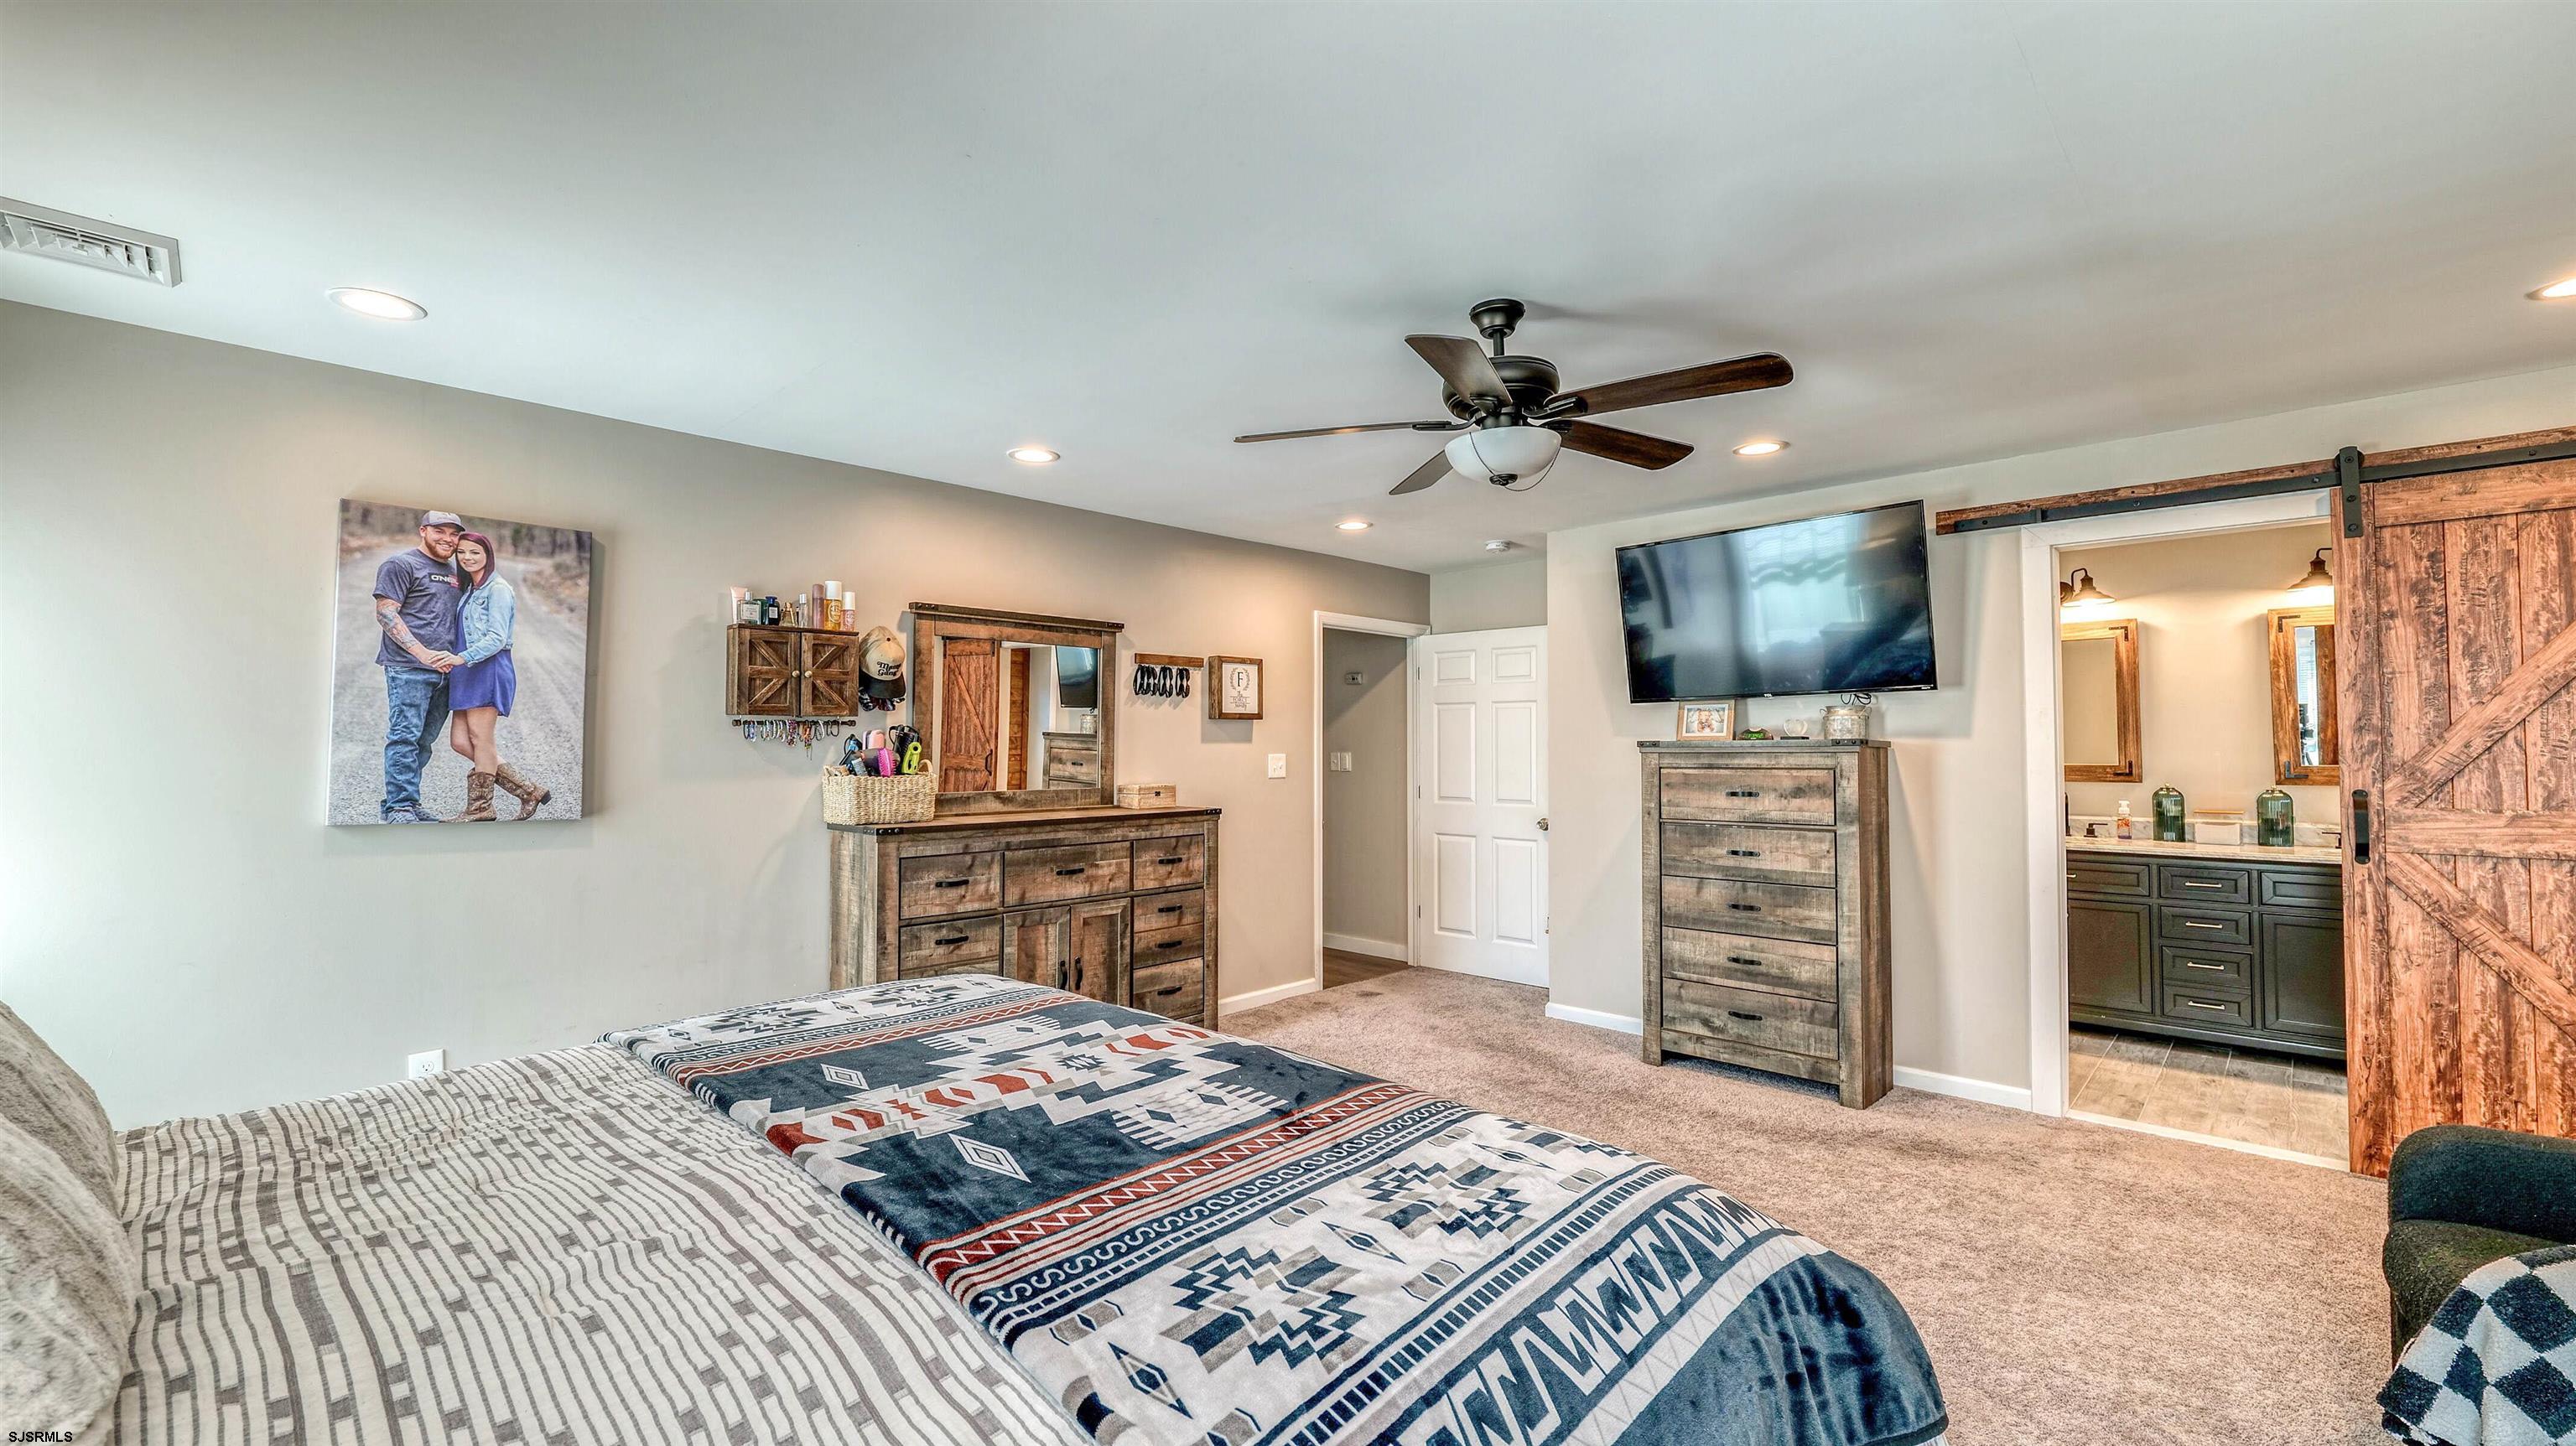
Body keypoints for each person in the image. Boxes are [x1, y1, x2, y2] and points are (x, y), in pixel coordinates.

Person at [442, 531, 551, 821]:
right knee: (460, 742)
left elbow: (497, 637)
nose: (467, 557)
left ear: (488, 555)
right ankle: (528, 791)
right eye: (462, 552)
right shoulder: (471, 589)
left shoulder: (498, 589)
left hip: (485, 667)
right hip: (465, 671)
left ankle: (480, 808)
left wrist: (461, 657)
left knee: (481, 739)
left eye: (475, 553)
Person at [372, 511, 466, 823]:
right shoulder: (401, 564)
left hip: (445, 671)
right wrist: (421, 652)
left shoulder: (455, 572)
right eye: (440, 531)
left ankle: (404, 803)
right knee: (404, 737)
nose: (448, 539)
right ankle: (399, 808)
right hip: (408, 668)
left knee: (424, 741)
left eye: (454, 534)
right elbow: (386, 613)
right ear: (423, 531)